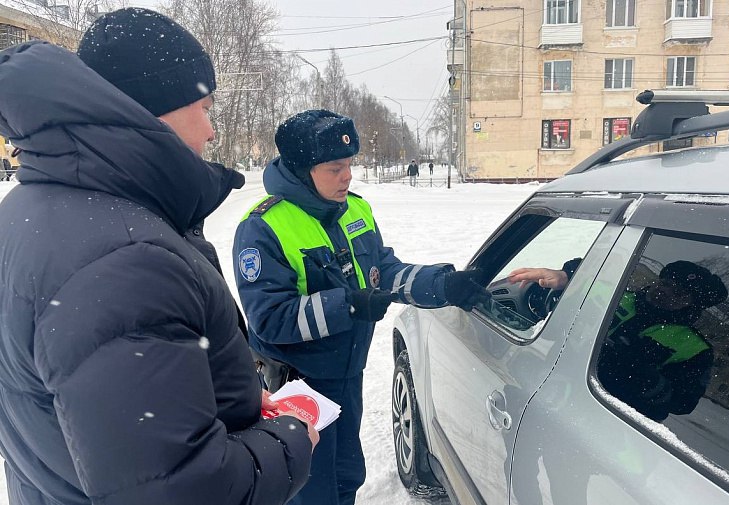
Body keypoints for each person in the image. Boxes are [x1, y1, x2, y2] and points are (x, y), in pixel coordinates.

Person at [0, 8, 316, 505]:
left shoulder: (30, 207)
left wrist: (226, 399)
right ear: (156, 109)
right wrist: (291, 435)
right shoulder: (126, 259)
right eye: (205, 108)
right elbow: (178, 491)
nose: (212, 131)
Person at [233, 109, 490, 505]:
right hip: (298, 387)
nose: (347, 176)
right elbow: (269, 319)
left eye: (349, 165)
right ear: (304, 171)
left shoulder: (356, 209)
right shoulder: (263, 228)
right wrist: (348, 306)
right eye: (335, 168)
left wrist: (443, 284)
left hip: (347, 375)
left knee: (347, 476)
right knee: (308, 491)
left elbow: (382, 272)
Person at [509, 259, 727, 421]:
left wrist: (640, 374)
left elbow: (682, 403)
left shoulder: (693, 348)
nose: (665, 291)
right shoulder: (616, 297)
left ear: (692, 304)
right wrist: (567, 276)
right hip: (547, 389)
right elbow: (590, 274)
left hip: (601, 420)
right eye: (666, 282)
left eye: (679, 292)